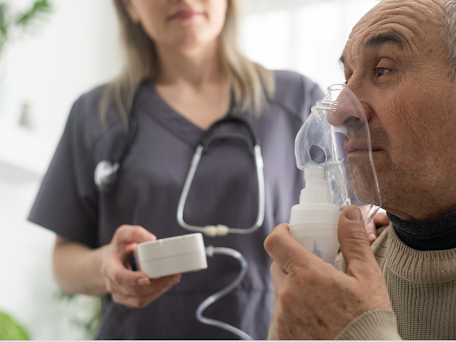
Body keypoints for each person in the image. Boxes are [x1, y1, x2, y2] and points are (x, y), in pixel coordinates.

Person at [27, 0, 330, 339]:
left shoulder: (299, 100)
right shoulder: (97, 113)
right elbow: (64, 262)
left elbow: (351, 232)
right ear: (129, 6)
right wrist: (106, 266)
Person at [264, 0, 456, 339]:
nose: (338, 113)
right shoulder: (334, 274)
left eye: (382, 70)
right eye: (348, 75)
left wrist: (357, 329)